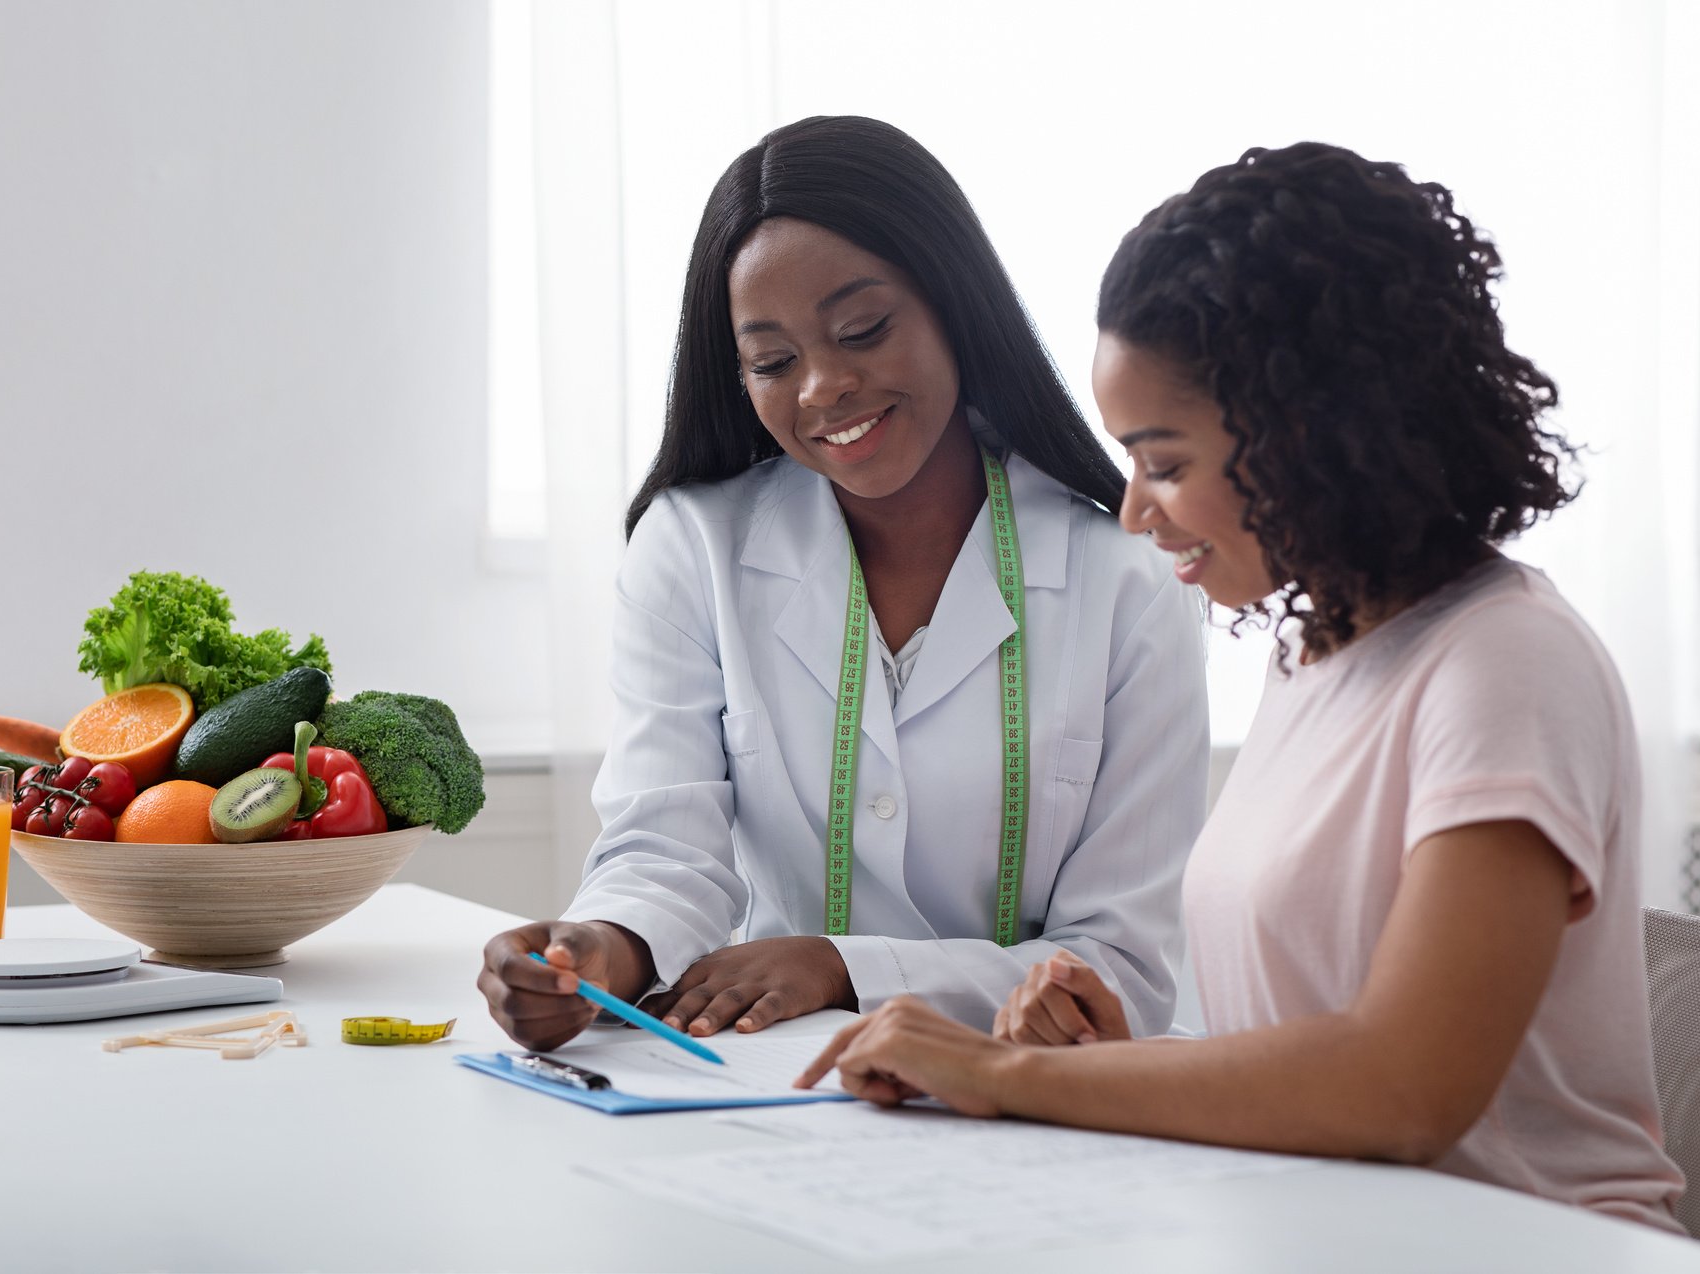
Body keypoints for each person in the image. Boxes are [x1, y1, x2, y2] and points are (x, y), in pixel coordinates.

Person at [798, 141, 1687, 1233]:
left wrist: (1000, 1072)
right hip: (1330, 1232)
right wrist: (1112, 1063)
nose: (1134, 511)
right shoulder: (1312, 653)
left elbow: (1403, 1086)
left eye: (1164, 462)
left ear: (1315, 436)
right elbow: (1316, 1046)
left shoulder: (1508, 662)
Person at [477, 116, 1208, 1051]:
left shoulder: (1125, 573)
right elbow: (665, 849)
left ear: (952, 303)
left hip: (1029, 1102)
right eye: (773, 362)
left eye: (862, 329)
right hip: (773, 1084)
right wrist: (598, 949)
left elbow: (1123, 972)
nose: (822, 387)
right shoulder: (691, 544)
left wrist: (838, 966)